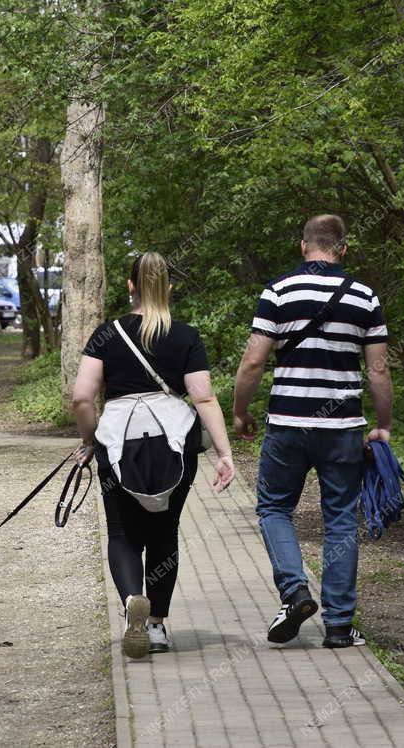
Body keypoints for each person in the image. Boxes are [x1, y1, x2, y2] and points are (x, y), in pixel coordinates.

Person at [232, 214, 392, 649]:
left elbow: (252, 361)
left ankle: (295, 591)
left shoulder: (278, 291)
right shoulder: (364, 296)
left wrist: (240, 411)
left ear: (304, 247)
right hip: (341, 429)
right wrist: (383, 425)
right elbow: (377, 369)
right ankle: (339, 626)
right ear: (343, 248)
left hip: (287, 426)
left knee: (274, 510)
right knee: (340, 520)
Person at [72, 252, 235, 659]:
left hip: (117, 446)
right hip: (174, 448)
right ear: (169, 289)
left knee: (122, 533)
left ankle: (132, 603)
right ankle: (158, 625)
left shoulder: (107, 334)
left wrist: (90, 440)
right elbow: (204, 396)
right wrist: (223, 452)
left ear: (130, 287)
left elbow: (81, 397)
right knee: (164, 533)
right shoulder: (186, 336)